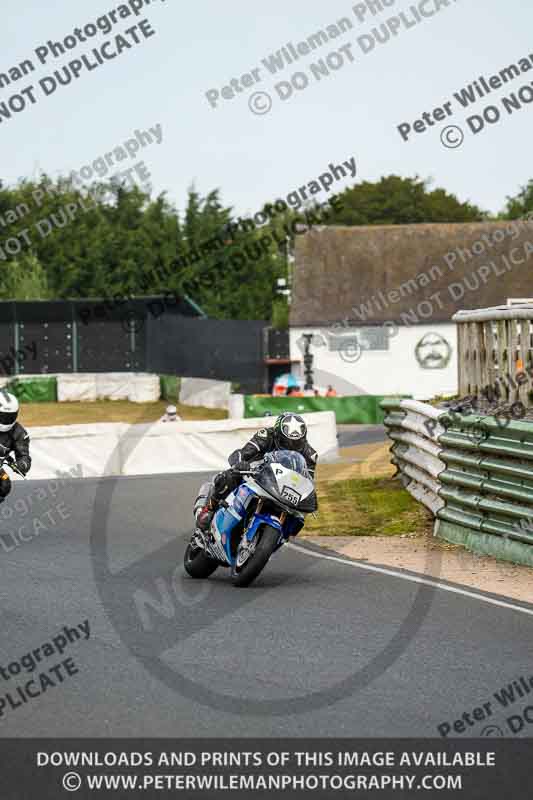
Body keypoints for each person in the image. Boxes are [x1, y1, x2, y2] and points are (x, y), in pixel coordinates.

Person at [195, 412, 318, 532]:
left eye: (297, 443)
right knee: (228, 477)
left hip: (282, 485)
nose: (291, 446)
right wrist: (241, 463)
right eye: (287, 442)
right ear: (278, 434)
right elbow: (244, 452)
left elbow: (307, 481)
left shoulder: (310, 455)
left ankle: (280, 534)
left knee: (299, 517)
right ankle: (209, 509)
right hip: (256, 473)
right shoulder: (266, 436)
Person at [0, 391, 31, 505]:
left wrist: (21, 465)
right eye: (2, 416)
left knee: (5, 485)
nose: (6, 420)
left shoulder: (18, 432)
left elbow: (24, 457)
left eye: (9, 416)